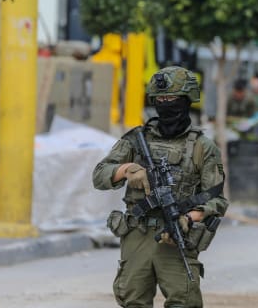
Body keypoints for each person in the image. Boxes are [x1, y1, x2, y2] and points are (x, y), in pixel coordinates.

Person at [92, 65, 228, 308]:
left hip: (175, 236)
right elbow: (100, 175)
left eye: (172, 98)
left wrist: (189, 217)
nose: (166, 104)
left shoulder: (202, 147)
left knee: (184, 302)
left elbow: (217, 200)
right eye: (161, 99)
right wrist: (127, 170)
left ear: (186, 101)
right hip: (137, 233)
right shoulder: (136, 140)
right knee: (133, 301)